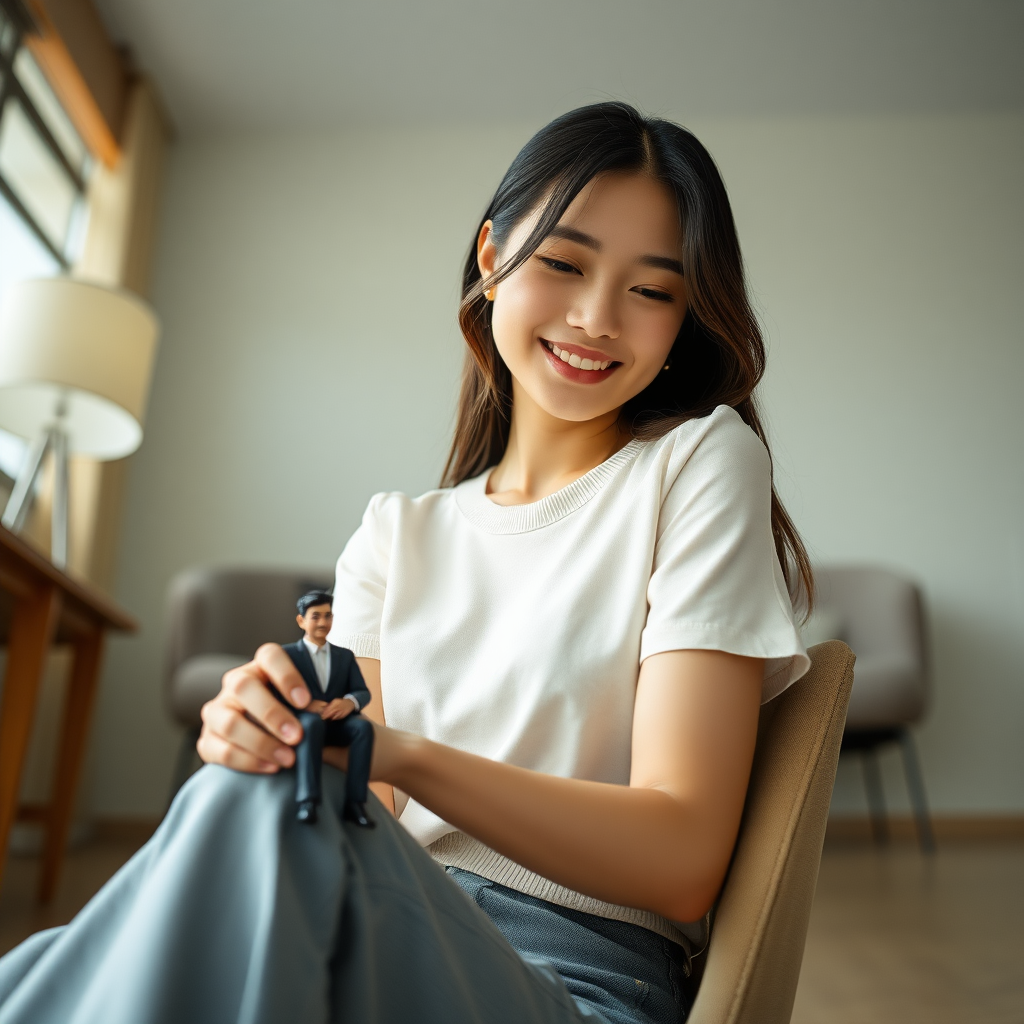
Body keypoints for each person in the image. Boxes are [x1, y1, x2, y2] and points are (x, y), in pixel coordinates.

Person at [0, 102, 812, 1024]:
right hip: (365, 934)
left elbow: (682, 859)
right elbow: (357, 817)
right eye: (562, 263)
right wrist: (267, 731)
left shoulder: (696, 465)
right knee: (260, 793)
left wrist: (400, 755)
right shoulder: (396, 533)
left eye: (653, 290)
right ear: (492, 255)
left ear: (684, 317)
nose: (597, 317)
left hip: (576, 978)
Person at [282, 590, 375, 827]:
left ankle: (355, 804)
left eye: (327, 616)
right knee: (311, 724)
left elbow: (362, 691)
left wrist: (349, 702)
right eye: (316, 617)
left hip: (337, 722)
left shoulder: (344, 656)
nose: (323, 622)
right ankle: (308, 801)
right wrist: (303, 704)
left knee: (363, 728)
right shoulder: (288, 655)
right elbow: (279, 690)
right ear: (301, 620)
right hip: (307, 720)